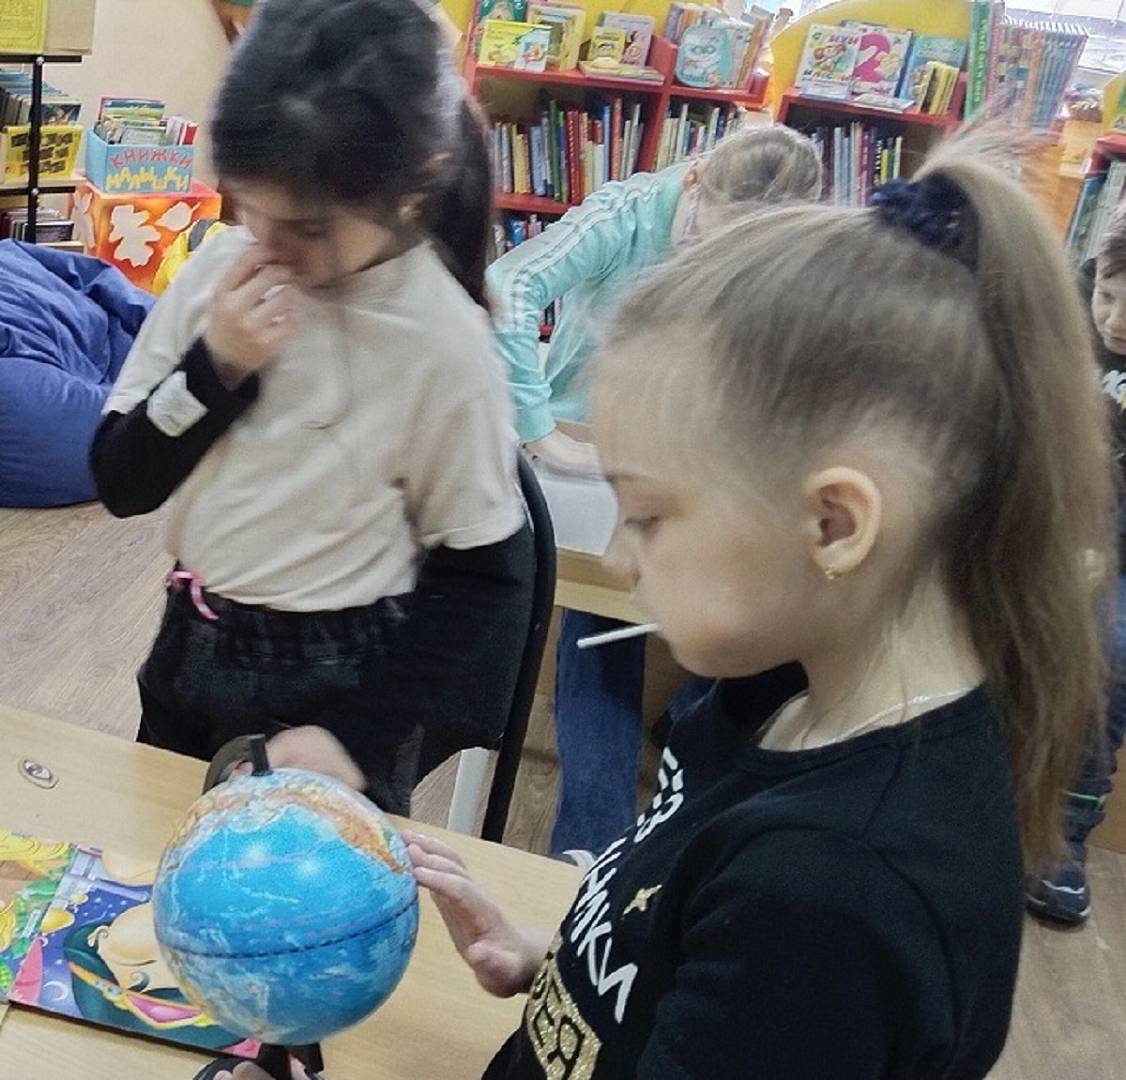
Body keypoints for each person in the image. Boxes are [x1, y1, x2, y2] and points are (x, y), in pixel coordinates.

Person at [212, 138, 1115, 1079]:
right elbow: (689, 952)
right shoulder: (776, 690)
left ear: (834, 524)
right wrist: (556, 965)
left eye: (647, 514)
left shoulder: (837, 895)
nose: (616, 556)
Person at [90, 0, 532, 816]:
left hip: (337, 683)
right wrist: (216, 369)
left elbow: (486, 578)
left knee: (305, 893)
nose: (265, 243)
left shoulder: (442, 342)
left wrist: (356, 738)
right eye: (246, 207)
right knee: (160, 859)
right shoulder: (219, 276)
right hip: (190, 642)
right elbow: (122, 479)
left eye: (306, 227)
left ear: (413, 190)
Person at [488, 125, 823, 858]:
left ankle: (685, 796)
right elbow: (509, 285)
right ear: (695, 181)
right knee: (600, 619)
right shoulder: (626, 215)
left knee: (760, 617)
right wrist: (538, 427)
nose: (714, 265)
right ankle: (592, 842)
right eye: (708, 241)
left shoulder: (784, 253)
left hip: (702, 458)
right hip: (594, 449)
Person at [1026, 202, 1126, 924]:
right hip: (1047, 520)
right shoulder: (1066, 316)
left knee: (1109, 650)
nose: (1115, 320)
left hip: (1113, 551)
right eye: (1109, 296)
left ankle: (1064, 836)